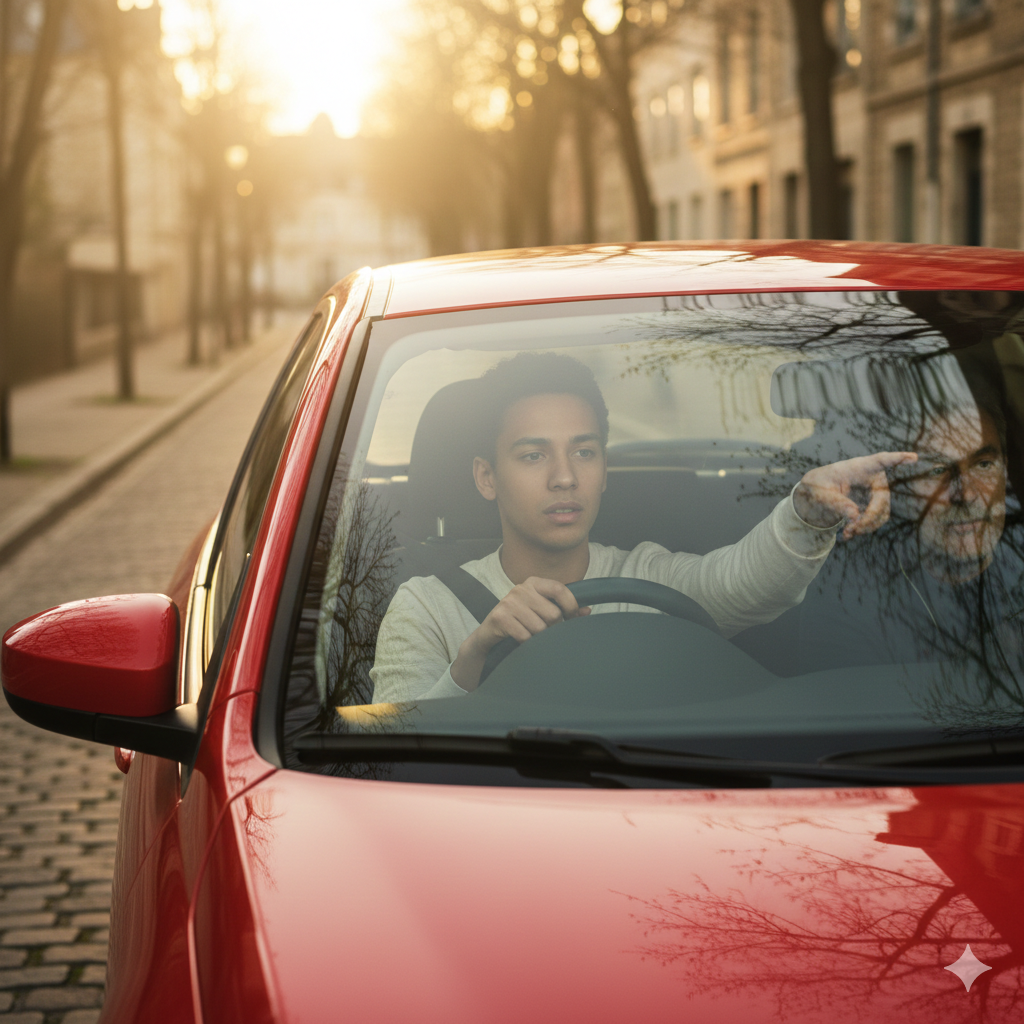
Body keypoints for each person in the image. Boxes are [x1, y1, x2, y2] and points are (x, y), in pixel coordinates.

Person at [370, 353, 916, 703]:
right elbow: (391, 755)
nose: (565, 477)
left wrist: (807, 511)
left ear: (604, 468)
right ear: (486, 477)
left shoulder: (647, 579)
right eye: (533, 456)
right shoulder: (424, 607)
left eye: (584, 452)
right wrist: (474, 655)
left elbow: (747, 581)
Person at [798, 399, 1024, 676]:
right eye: (937, 470)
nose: (965, 494)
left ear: (1006, 472)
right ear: (901, 489)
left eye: (984, 464)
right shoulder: (849, 591)